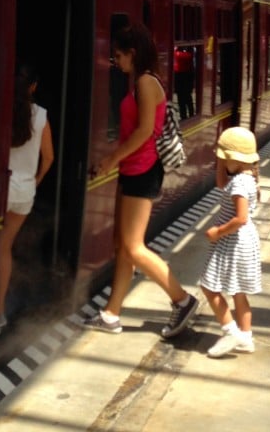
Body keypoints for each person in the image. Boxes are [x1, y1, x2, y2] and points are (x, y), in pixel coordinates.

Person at [85, 23, 198, 336]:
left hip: (143, 170)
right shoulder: (141, 82)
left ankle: (182, 299)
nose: (116, 62)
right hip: (133, 169)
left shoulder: (147, 83)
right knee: (122, 245)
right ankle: (111, 314)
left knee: (134, 247)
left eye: (119, 56)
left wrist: (110, 159)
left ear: (133, 54)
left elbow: (145, 130)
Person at [0, 63, 55, 335]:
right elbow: (49, 158)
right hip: (23, 193)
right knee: (4, 248)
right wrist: (35, 180)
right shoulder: (41, 116)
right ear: (33, 87)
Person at [200, 127, 261, 357]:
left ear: (234, 159)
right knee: (239, 292)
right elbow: (220, 183)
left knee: (208, 286)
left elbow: (241, 218)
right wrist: (220, 160)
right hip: (244, 242)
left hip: (232, 242)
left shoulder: (239, 185)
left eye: (225, 157)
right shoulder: (247, 177)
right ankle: (246, 337)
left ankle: (230, 331)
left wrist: (218, 231)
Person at [173, 45, 195, 119]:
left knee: (181, 101)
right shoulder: (190, 54)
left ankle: (183, 116)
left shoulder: (179, 54)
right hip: (187, 78)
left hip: (180, 77)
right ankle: (191, 114)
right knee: (188, 99)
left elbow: (176, 54)